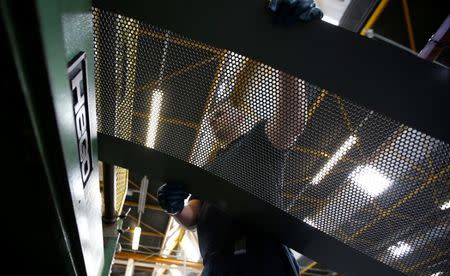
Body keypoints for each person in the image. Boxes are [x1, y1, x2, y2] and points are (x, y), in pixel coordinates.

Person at [157, 1, 320, 275]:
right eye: (211, 116)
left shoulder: (260, 140)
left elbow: (292, 122)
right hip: (216, 266)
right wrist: (174, 208)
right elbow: (194, 216)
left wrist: (292, 48)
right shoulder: (210, 167)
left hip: (259, 259)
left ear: (244, 118)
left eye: (221, 111)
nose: (213, 117)